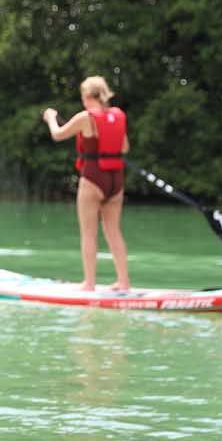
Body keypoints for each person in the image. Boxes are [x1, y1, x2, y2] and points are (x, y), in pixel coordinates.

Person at [44, 76, 130, 291]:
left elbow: (58, 135)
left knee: (89, 233)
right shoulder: (117, 116)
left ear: (88, 96)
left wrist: (51, 118)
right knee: (114, 232)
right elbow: (125, 148)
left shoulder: (85, 117)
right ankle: (124, 282)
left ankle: (89, 284)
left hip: (93, 178)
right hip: (116, 180)